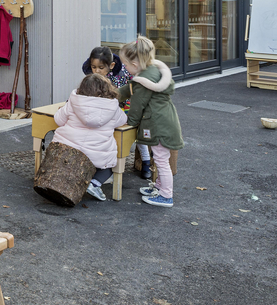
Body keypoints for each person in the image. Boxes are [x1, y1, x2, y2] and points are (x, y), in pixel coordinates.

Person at [119, 36, 184, 208]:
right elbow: (128, 90)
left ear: (134, 64)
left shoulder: (144, 80)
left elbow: (137, 104)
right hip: (165, 120)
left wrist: (130, 122)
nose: (124, 68)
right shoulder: (151, 71)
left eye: (125, 65)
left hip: (158, 124)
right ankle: (159, 187)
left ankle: (166, 195)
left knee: (161, 160)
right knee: (160, 157)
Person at [52, 74, 127, 202]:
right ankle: (94, 184)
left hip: (67, 150)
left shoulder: (73, 102)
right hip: (96, 156)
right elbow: (123, 120)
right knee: (109, 165)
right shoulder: (113, 107)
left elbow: (58, 120)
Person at [82, 45, 151, 179]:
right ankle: (102, 164)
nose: (96, 71)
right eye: (93, 67)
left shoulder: (121, 75)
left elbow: (120, 96)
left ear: (111, 65)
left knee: (137, 134)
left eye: (101, 68)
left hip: (126, 107)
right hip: (105, 111)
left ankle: (146, 162)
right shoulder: (93, 77)